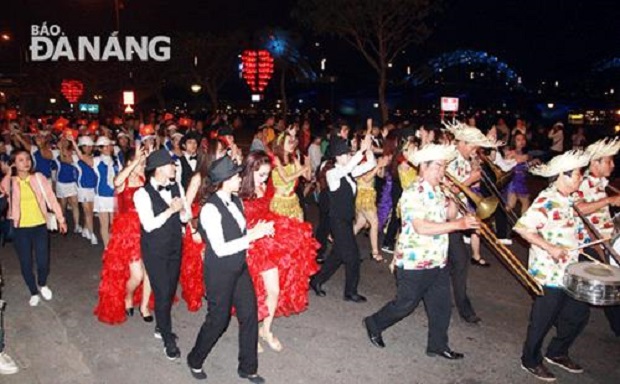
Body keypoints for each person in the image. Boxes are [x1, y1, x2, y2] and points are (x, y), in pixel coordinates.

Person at [364, 144, 478, 358]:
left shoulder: (437, 190)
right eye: (438, 167)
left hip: (437, 259)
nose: (442, 172)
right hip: (414, 261)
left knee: (442, 306)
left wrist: (454, 198)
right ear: (423, 167)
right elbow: (421, 227)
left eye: (444, 167)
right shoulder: (413, 193)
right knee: (405, 305)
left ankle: (438, 345)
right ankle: (374, 322)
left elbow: (449, 217)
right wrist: (458, 225)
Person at [186, 155, 274, 382]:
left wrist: (256, 232)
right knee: (218, 320)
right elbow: (221, 248)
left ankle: (248, 367)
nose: (240, 178)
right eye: (236, 175)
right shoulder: (210, 210)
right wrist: (252, 236)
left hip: (239, 267)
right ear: (225, 180)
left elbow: (240, 234)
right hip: (219, 272)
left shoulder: (236, 201)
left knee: (250, 315)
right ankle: (195, 359)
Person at [513, 150, 591, 382]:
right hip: (550, 272)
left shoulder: (568, 199)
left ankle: (557, 352)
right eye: (578, 174)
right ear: (563, 176)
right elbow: (522, 228)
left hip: (571, 270)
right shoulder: (547, 201)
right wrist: (550, 247)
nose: (581, 179)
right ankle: (530, 359)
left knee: (578, 315)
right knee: (543, 320)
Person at [239, 151, 319, 352]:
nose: (264, 179)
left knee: (273, 290)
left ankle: (266, 329)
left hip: (268, 242)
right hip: (249, 244)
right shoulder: (238, 191)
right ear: (250, 170)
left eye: (267, 174)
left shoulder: (265, 186)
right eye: (260, 174)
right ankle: (252, 333)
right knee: (254, 295)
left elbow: (273, 204)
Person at [134, 149, 189, 360]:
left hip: (175, 245)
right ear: (158, 169)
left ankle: (160, 325)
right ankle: (167, 338)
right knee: (163, 291)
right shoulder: (142, 194)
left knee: (169, 290)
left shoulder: (176, 185)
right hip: (155, 249)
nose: (174, 167)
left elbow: (184, 216)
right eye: (170, 165)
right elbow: (149, 225)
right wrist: (171, 211)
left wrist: (183, 212)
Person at [443, 121, 498, 323]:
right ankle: (462, 307)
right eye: (473, 145)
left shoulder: (465, 159)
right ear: (463, 143)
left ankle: (443, 296)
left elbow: (469, 187)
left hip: (459, 217)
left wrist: (474, 171)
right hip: (446, 218)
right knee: (460, 261)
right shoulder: (450, 160)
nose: (476, 149)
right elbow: (447, 191)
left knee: (455, 262)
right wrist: (469, 179)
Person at [310, 135, 376, 303]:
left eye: (349, 154)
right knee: (353, 257)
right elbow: (346, 169)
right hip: (337, 222)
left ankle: (316, 280)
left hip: (346, 220)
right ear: (338, 156)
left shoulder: (349, 172)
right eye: (346, 154)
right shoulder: (333, 173)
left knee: (337, 255)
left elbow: (371, 165)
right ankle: (350, 292)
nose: (349, 156)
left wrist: (367, 150)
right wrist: (360, 151)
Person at [94, 145, 153, 324]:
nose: (142, 165)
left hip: (147, 228)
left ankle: (144, 306)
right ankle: (127, 297)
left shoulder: (145, 180)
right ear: (130, 162)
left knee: (150, 271)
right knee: (137, 275)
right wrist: (135, 161)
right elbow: (116, 182)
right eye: (139, 162)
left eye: (143, 163)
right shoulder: (123, 181)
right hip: (128, 234)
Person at [0, 150, 67, 306]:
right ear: (14, 163)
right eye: (21, 160)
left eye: (28, 159)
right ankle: (33, 291)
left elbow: (51, 198)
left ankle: (42, 284)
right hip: (20, 228)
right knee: (26, 262)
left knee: (43, 260)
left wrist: (61, 219)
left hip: (39, 225)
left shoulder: (39, 178)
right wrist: (8, 175)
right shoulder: (9, 182)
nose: (26, 162)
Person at [576, 138, 620, 337]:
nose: (613, 165)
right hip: (591, 245)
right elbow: (580, 208)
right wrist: (609, 200)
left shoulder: (599, 182)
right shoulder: (583, 181)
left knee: (612, 288)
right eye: (608, 161)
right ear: (595, 163)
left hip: (603, 242)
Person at [270, 133, 311, 220]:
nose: (292, 145)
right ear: (281, 144)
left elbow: (308, 177)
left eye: (293, 142)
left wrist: (308, 163)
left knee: (300, 228)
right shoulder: (276, 159)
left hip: (293, 199)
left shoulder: (293, 158)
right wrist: (302, 170)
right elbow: (286, 179)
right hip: (280, 201)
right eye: (289, 142)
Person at [93, 136, 122, 247]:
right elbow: (82, 158)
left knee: (114, 223)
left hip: (114, 195)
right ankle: (107, 247)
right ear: (100, 149)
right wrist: (74, 143)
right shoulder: (96, 161)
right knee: (104, 223)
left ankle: (114, 244)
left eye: (109, 145)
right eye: (105, 146)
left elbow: (120, 175)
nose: (108, 148)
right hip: (102, 196)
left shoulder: (116, 161)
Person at [72, 136, 98, 245]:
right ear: (81, 147)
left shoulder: (94, 158)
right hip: (83, 188)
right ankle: (92, 234)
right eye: (85, 146)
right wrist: (73, 142)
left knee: (90, 211)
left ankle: (86, 229)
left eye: (90, 146)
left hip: (94, 188)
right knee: (87, 212)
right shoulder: (75, 157)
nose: (88, 148)